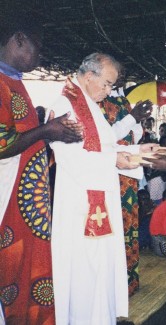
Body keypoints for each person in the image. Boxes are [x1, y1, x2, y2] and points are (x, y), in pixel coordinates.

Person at [48, 52, 157, 324]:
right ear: (88, 77)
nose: (109, 92)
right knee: (85, 270)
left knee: (100, 268)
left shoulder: (88, 103)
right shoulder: (66, 104)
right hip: (79, 205)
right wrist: (115, 158)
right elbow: (68, 156)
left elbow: (106, 142)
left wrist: (137, 149)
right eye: (107, 84)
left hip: (97, 200)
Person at [0, 12, 83, 324]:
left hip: (27, 208)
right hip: (9, 206)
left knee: (28, 278)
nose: (41, 55)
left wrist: (52, 136)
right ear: (18, 39)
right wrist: (47, 132)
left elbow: (21, 143)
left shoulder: (13, 83)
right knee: (13, 277)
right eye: (38, 46)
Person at [100, 86, 153, 296]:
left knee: (129, 226)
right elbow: (105, 138)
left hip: (128, 173)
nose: (120, 76)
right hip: (110, 171)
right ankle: (112, 289)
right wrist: (131, 117)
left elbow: (135, 135)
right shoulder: (98, 102)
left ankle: (129, 282)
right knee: (112, 226)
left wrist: (136, 119)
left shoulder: (123, 102)